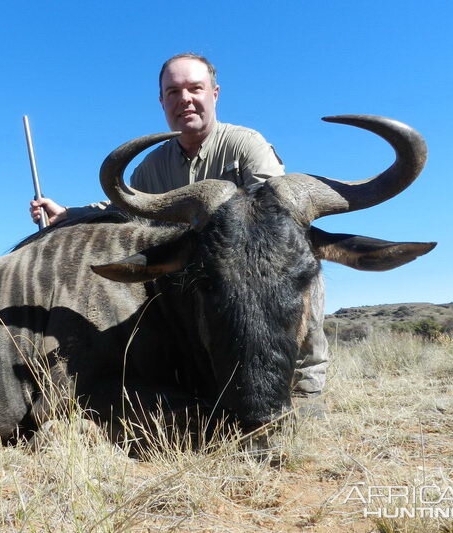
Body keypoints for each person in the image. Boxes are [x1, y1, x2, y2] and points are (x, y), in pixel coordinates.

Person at [29, 53, 327, 400]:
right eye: (173, 92)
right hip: (200, 273)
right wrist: (67, 213)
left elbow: (274, 216)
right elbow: (118, 206)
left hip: (251, 266)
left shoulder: (246, 144)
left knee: (297, 257)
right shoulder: (152, 165)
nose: (184, 99)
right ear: (162, 101)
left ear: (214, 93)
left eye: (194, 88)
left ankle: (308, 380)